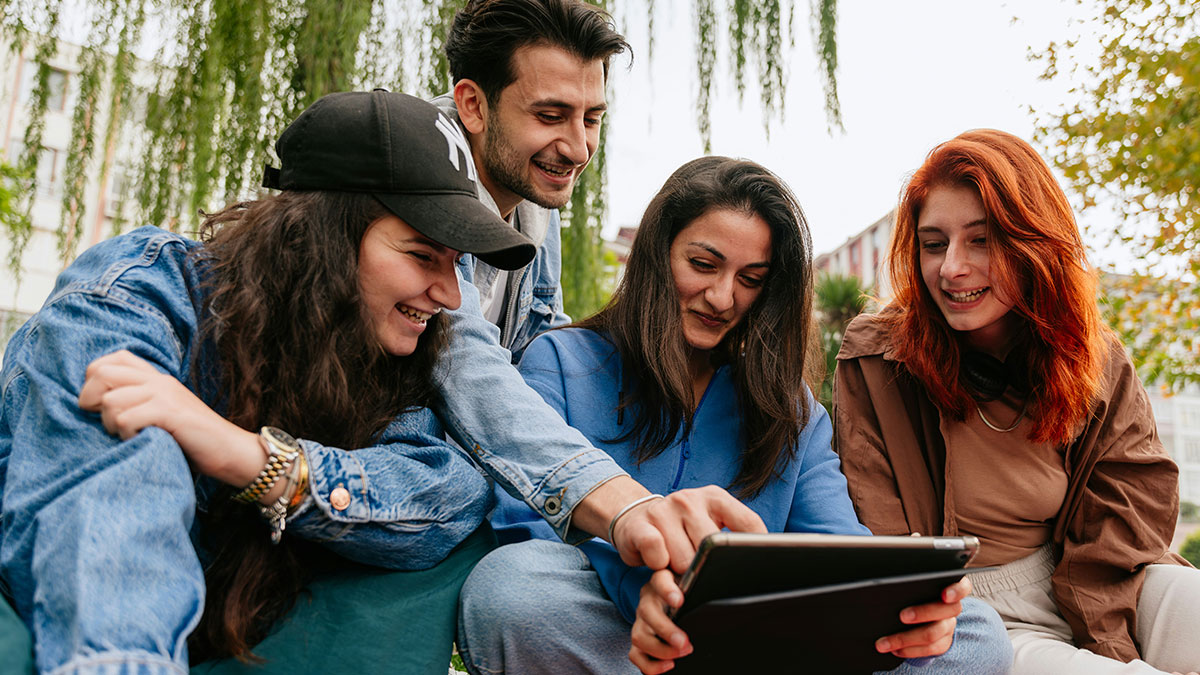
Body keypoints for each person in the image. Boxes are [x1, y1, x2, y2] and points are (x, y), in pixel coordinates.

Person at [0, 91, 542, 673]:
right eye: (421, 255)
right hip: (83, 635)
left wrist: (256, 461)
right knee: (138, 438)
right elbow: (112, 502)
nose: (451, 295)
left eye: (455, 262)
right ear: (320, 239)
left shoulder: (388, 353)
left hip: (230, 630)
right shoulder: (143, 293)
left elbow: (448, 492)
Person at [456, 157, 1014, 675]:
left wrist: (904, 604)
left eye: (751, 279)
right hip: (625, 636)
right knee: (513, 588)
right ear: (657, 254)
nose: (723, 298)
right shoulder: (561, 360)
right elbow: (523, 524)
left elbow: (837, 547)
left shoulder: (790, 409)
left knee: (973, 633)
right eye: (703, 264)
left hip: (760, 644)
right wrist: (642, 589)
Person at [427, 0, 760, 610]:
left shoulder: (529, 197)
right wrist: (624, 501)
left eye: (593, 118)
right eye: (552, 115)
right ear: (473, 104)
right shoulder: (425, 171)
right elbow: (462, 361)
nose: (578, 148)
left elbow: (544, 339)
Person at [833, 129, 1200, 674]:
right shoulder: (877, 359)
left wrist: (1103, 636)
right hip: (970, 610)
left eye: (981, 240)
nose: (952, 267)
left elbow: (1131, 499)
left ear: (1033, 243)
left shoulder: (1091, 358)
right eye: (934, 244)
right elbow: (876, 532)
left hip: (1095, 579)